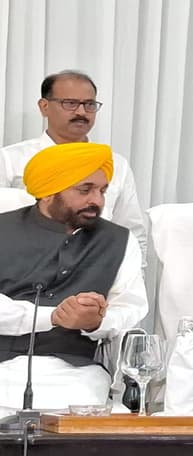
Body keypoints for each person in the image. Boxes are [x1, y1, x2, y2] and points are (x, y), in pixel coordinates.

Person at [0, 142, 148, 414]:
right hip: (3, 365)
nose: (97, 201)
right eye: (85, 190)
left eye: (102, 190)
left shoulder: (119, 241)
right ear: (48, 192)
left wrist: (97, 321)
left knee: (84, 409)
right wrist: (54, 316)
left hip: (76, 372)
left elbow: (131, 307)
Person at [0, 70, 147, 260]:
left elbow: (132, 233)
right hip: (24, 267)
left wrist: (132, 275)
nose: (81, 112)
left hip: (96, 266)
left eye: (89, 104)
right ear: (44, 107)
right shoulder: (10, 159)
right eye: (70, 103)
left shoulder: (114, 164)